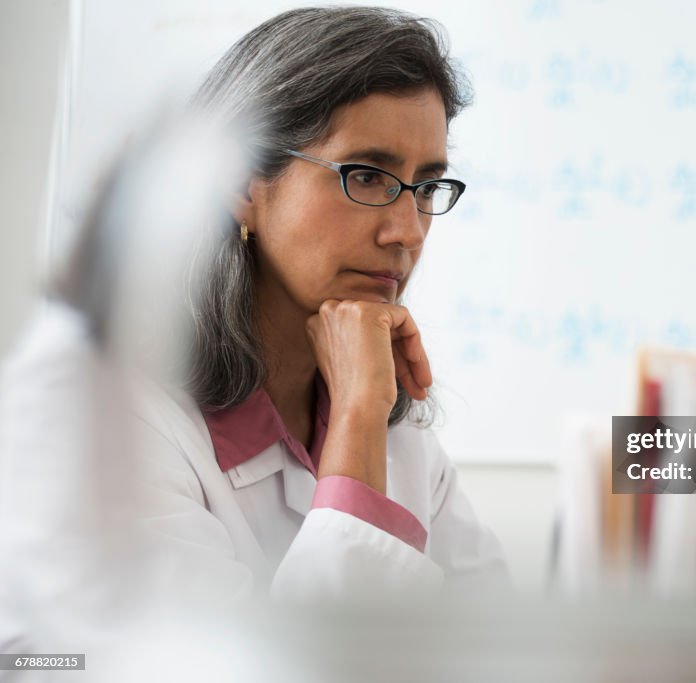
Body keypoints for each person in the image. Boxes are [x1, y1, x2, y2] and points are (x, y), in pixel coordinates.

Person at [1, 6, 509, 613]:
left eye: (426, 186)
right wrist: (355, 425)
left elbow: (493, 631)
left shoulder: (392, 430)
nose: (406, 231)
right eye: (366, 176)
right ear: (242, 183)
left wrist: (361, 416)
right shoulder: (103, 418)